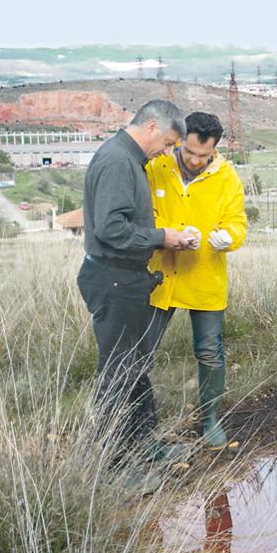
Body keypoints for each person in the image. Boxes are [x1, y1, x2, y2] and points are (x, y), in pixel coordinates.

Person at [76, 99, 196, 456]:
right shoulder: (117, 161)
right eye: (170, 143)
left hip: (127, 277)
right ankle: (115, 462)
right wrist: (164, 237)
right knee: (119, 371)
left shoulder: (130, 159)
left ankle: (144, 445)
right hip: (115, 279)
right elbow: (111, 228)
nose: (167, 151)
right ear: (152, 127)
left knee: (136, 365)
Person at [146, 112, 247, 448]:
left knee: (209, 353)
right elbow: (144, 214)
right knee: (142, 352)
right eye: (188, 152)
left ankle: (210, 417)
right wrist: (167, 235)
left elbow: (237, 223)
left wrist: (227, 238)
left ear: (214, 150)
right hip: (161, 276)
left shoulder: (227, 176)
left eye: (203, 156)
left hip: (205, 277)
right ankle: (141, 428)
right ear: (181, 141)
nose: (193, 160)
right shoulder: (157, 167)